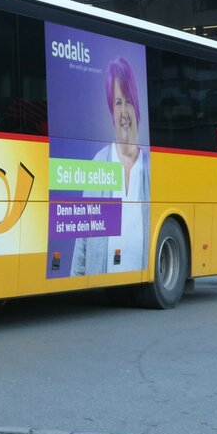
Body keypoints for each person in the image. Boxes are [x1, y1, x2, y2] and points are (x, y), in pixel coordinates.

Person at [71, 56, 150, 276]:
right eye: (117, 102)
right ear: (111, 112)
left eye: (128, 101)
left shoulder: (150, 169)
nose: (124, 111)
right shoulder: (100, 162)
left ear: (136, 106)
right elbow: (83, 239)